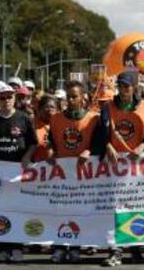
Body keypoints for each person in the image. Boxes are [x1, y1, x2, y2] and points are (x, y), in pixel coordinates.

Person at [94, 71, 144, 267]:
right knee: (114, 207)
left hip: (136, 167)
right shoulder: (108, 107)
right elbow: (100, 133)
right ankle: (116, 250)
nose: (123, 90)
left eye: (127, 87)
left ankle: (135, 248)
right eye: (120, 86)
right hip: (114, 168)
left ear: (135, 87)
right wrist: (108, 145)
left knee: (136, 206)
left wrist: (142, 147)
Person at [0, 83, 38, 263]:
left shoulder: (24, 118)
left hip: (18, 173)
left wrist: (27, 156)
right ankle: (3, 247)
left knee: (18, 210)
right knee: (1, 210)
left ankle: (17, 247)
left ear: (15, 98)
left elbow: (33, 142)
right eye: (2, 97)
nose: (6, 101)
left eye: (9, 97)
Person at [48, 81, 99, 263]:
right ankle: (60, 247)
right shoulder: (55, 119)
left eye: (74, 96)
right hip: (62, 173)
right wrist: (51, 152)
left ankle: (76, 247)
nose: (70, 100)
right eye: (68, 96)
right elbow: (51, 142)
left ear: (83, 97)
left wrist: (90, 151)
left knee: (79, 211)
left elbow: (99, 142)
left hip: (84, 175)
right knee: (61, 211)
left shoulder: (94, 119)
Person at [32, 95, 58, 162]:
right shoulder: (32, 125)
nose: (50, 110)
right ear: (40, 109)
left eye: (52, 107)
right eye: (46, 107)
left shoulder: (62, 124)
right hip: (38, 167)